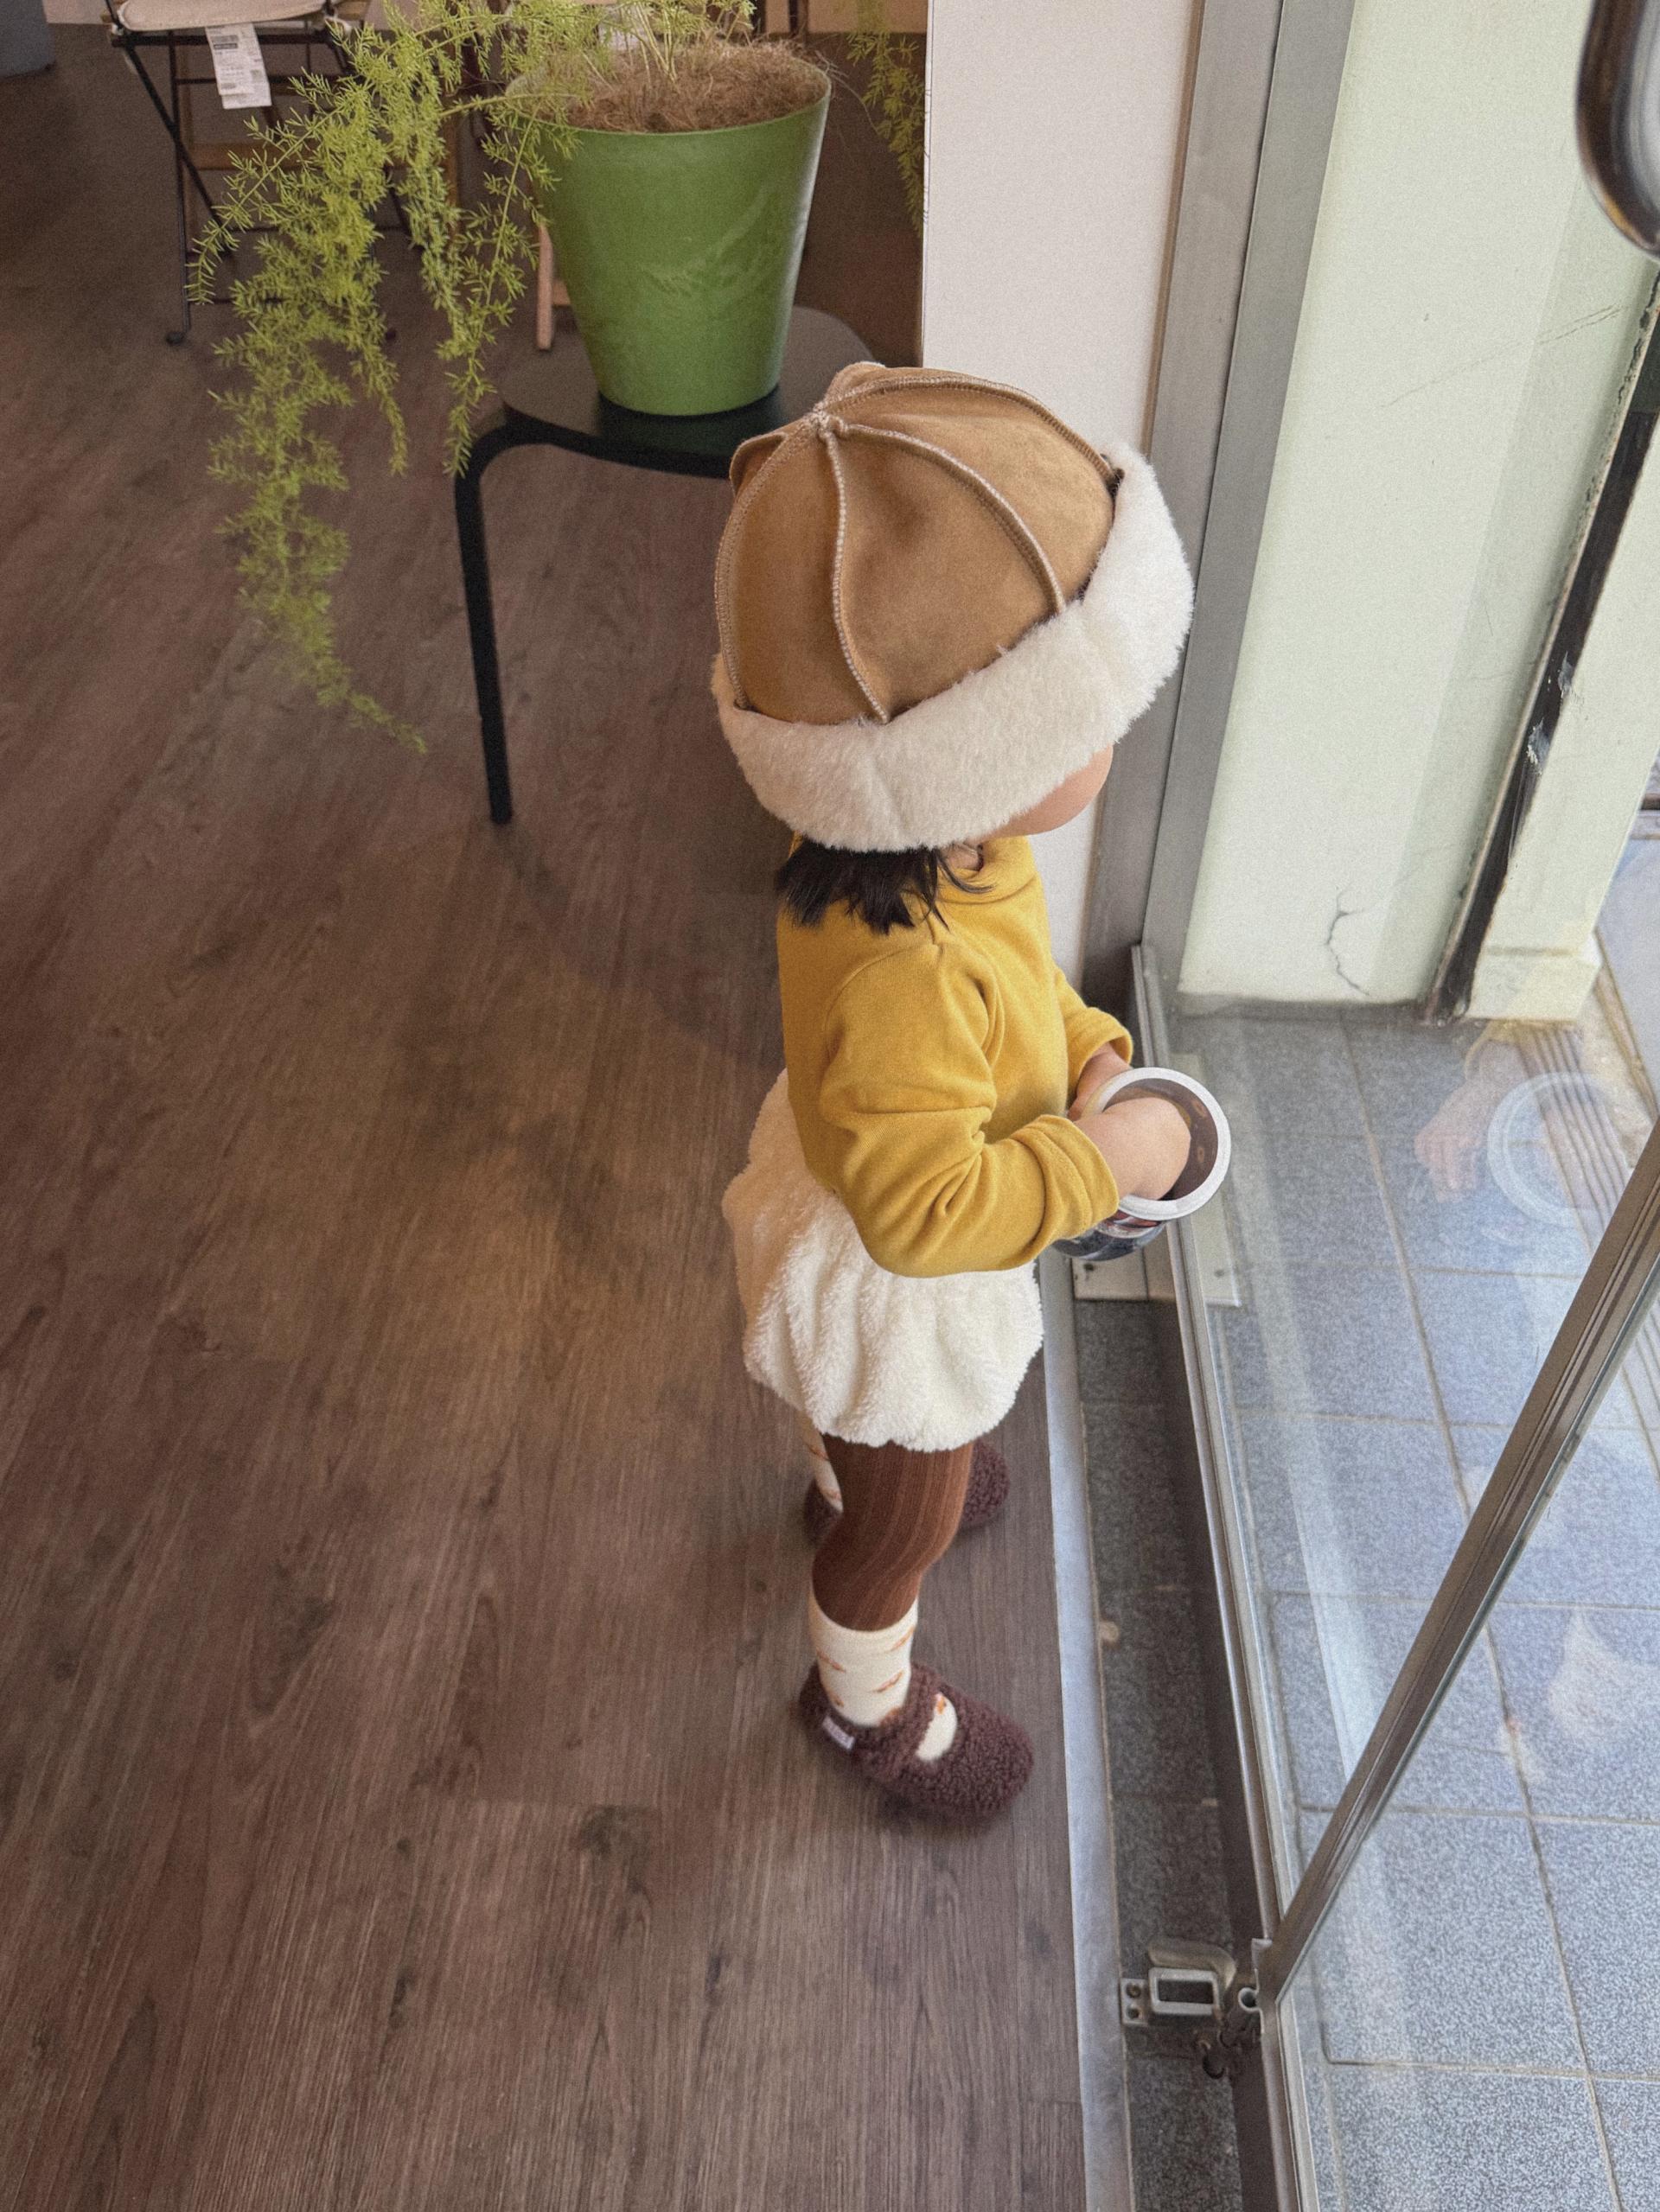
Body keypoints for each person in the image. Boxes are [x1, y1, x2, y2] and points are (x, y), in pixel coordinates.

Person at [716, 365, 1194, 1820]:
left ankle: (843, 1462)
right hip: (895, 1265)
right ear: (959, 754)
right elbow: (928, 1217)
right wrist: (1108, 1162)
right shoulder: (902, 971)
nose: (1105, 738)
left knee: (878, 1450)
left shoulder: (938, 845)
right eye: (1073, 719)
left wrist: (1085, 1045)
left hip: (861, 1172)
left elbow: (1015, 982)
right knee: (902, 1531)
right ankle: (863, 1704)